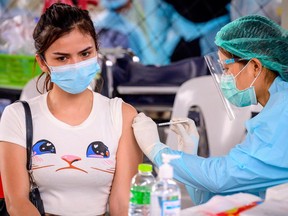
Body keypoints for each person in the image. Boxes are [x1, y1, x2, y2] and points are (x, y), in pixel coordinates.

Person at [0, 3, 142, 216]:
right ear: (42, 62)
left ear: (97, 50)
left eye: (85, 53)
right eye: (62, 58)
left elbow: (122, 205)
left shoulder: (122, 115)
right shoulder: (17, 116)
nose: (75, 64)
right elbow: (17, 203)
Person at [132, 14, 288, 205]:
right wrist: (189, 153)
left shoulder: (281, 114)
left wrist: (157, 150)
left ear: (255, 66)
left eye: (227, 69)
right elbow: (219, 195)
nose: (225, 79)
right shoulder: (274, 107)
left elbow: (221, 178)